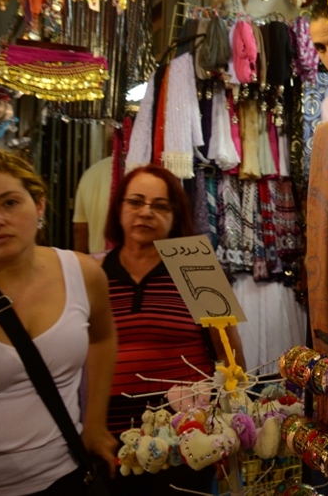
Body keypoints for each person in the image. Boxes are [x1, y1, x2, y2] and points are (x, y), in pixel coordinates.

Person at [101, 165, 246, 495]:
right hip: (113, 433)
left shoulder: (198, 267)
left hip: (186, 433)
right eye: (135, 202)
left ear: (175, 214)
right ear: (119, 208)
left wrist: (235, 423)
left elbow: (230, 351)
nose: (146, 212)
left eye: (160, 205)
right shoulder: (94, 271)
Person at [0, 148, 118, 495]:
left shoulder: (82, 272)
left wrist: (94, 423)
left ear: (40, 206)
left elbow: (102, 338)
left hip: (66, 475)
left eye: (10, 202)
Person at [73, 156, 113, 255]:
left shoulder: (92, 172)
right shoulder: (139, 171)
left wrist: (80, 265)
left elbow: (80, 229)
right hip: (132, 263)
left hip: (96, 262)